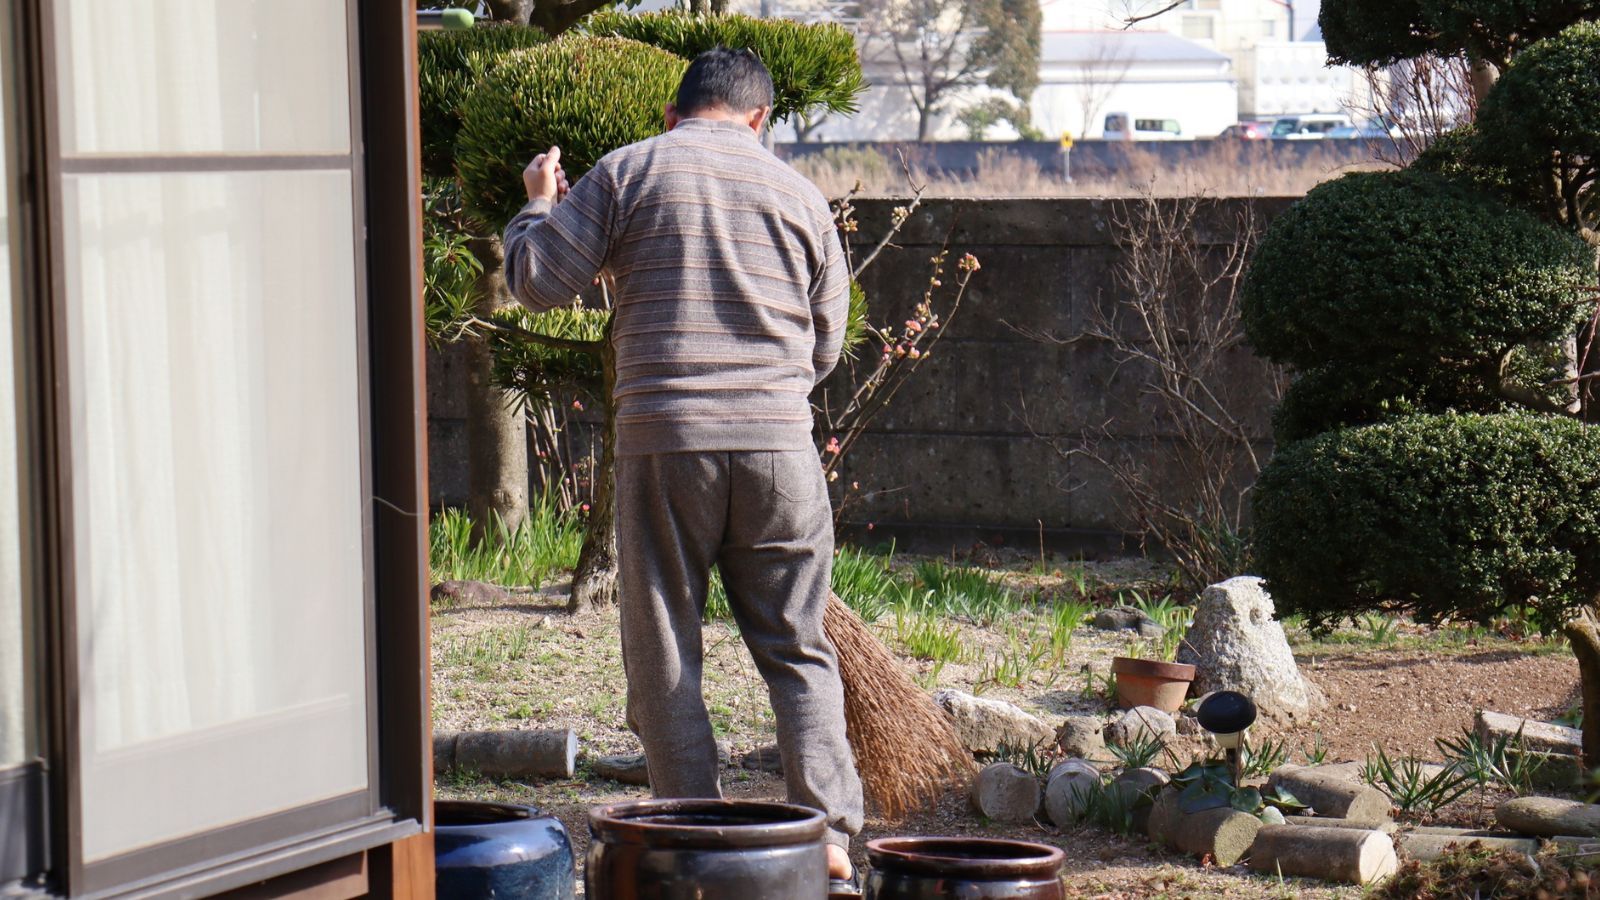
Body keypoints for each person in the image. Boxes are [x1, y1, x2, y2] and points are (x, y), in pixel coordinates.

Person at [501, 47, 864, 889]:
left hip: (666, 445)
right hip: (781, 449)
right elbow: (829, 342)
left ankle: (696, 833)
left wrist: (534, 208)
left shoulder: (627, 172)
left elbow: (538, 281)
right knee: (798, 648)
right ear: (759, 120)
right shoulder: (802, 196)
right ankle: (834, 838)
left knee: (666, 653)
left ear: (672, 113)